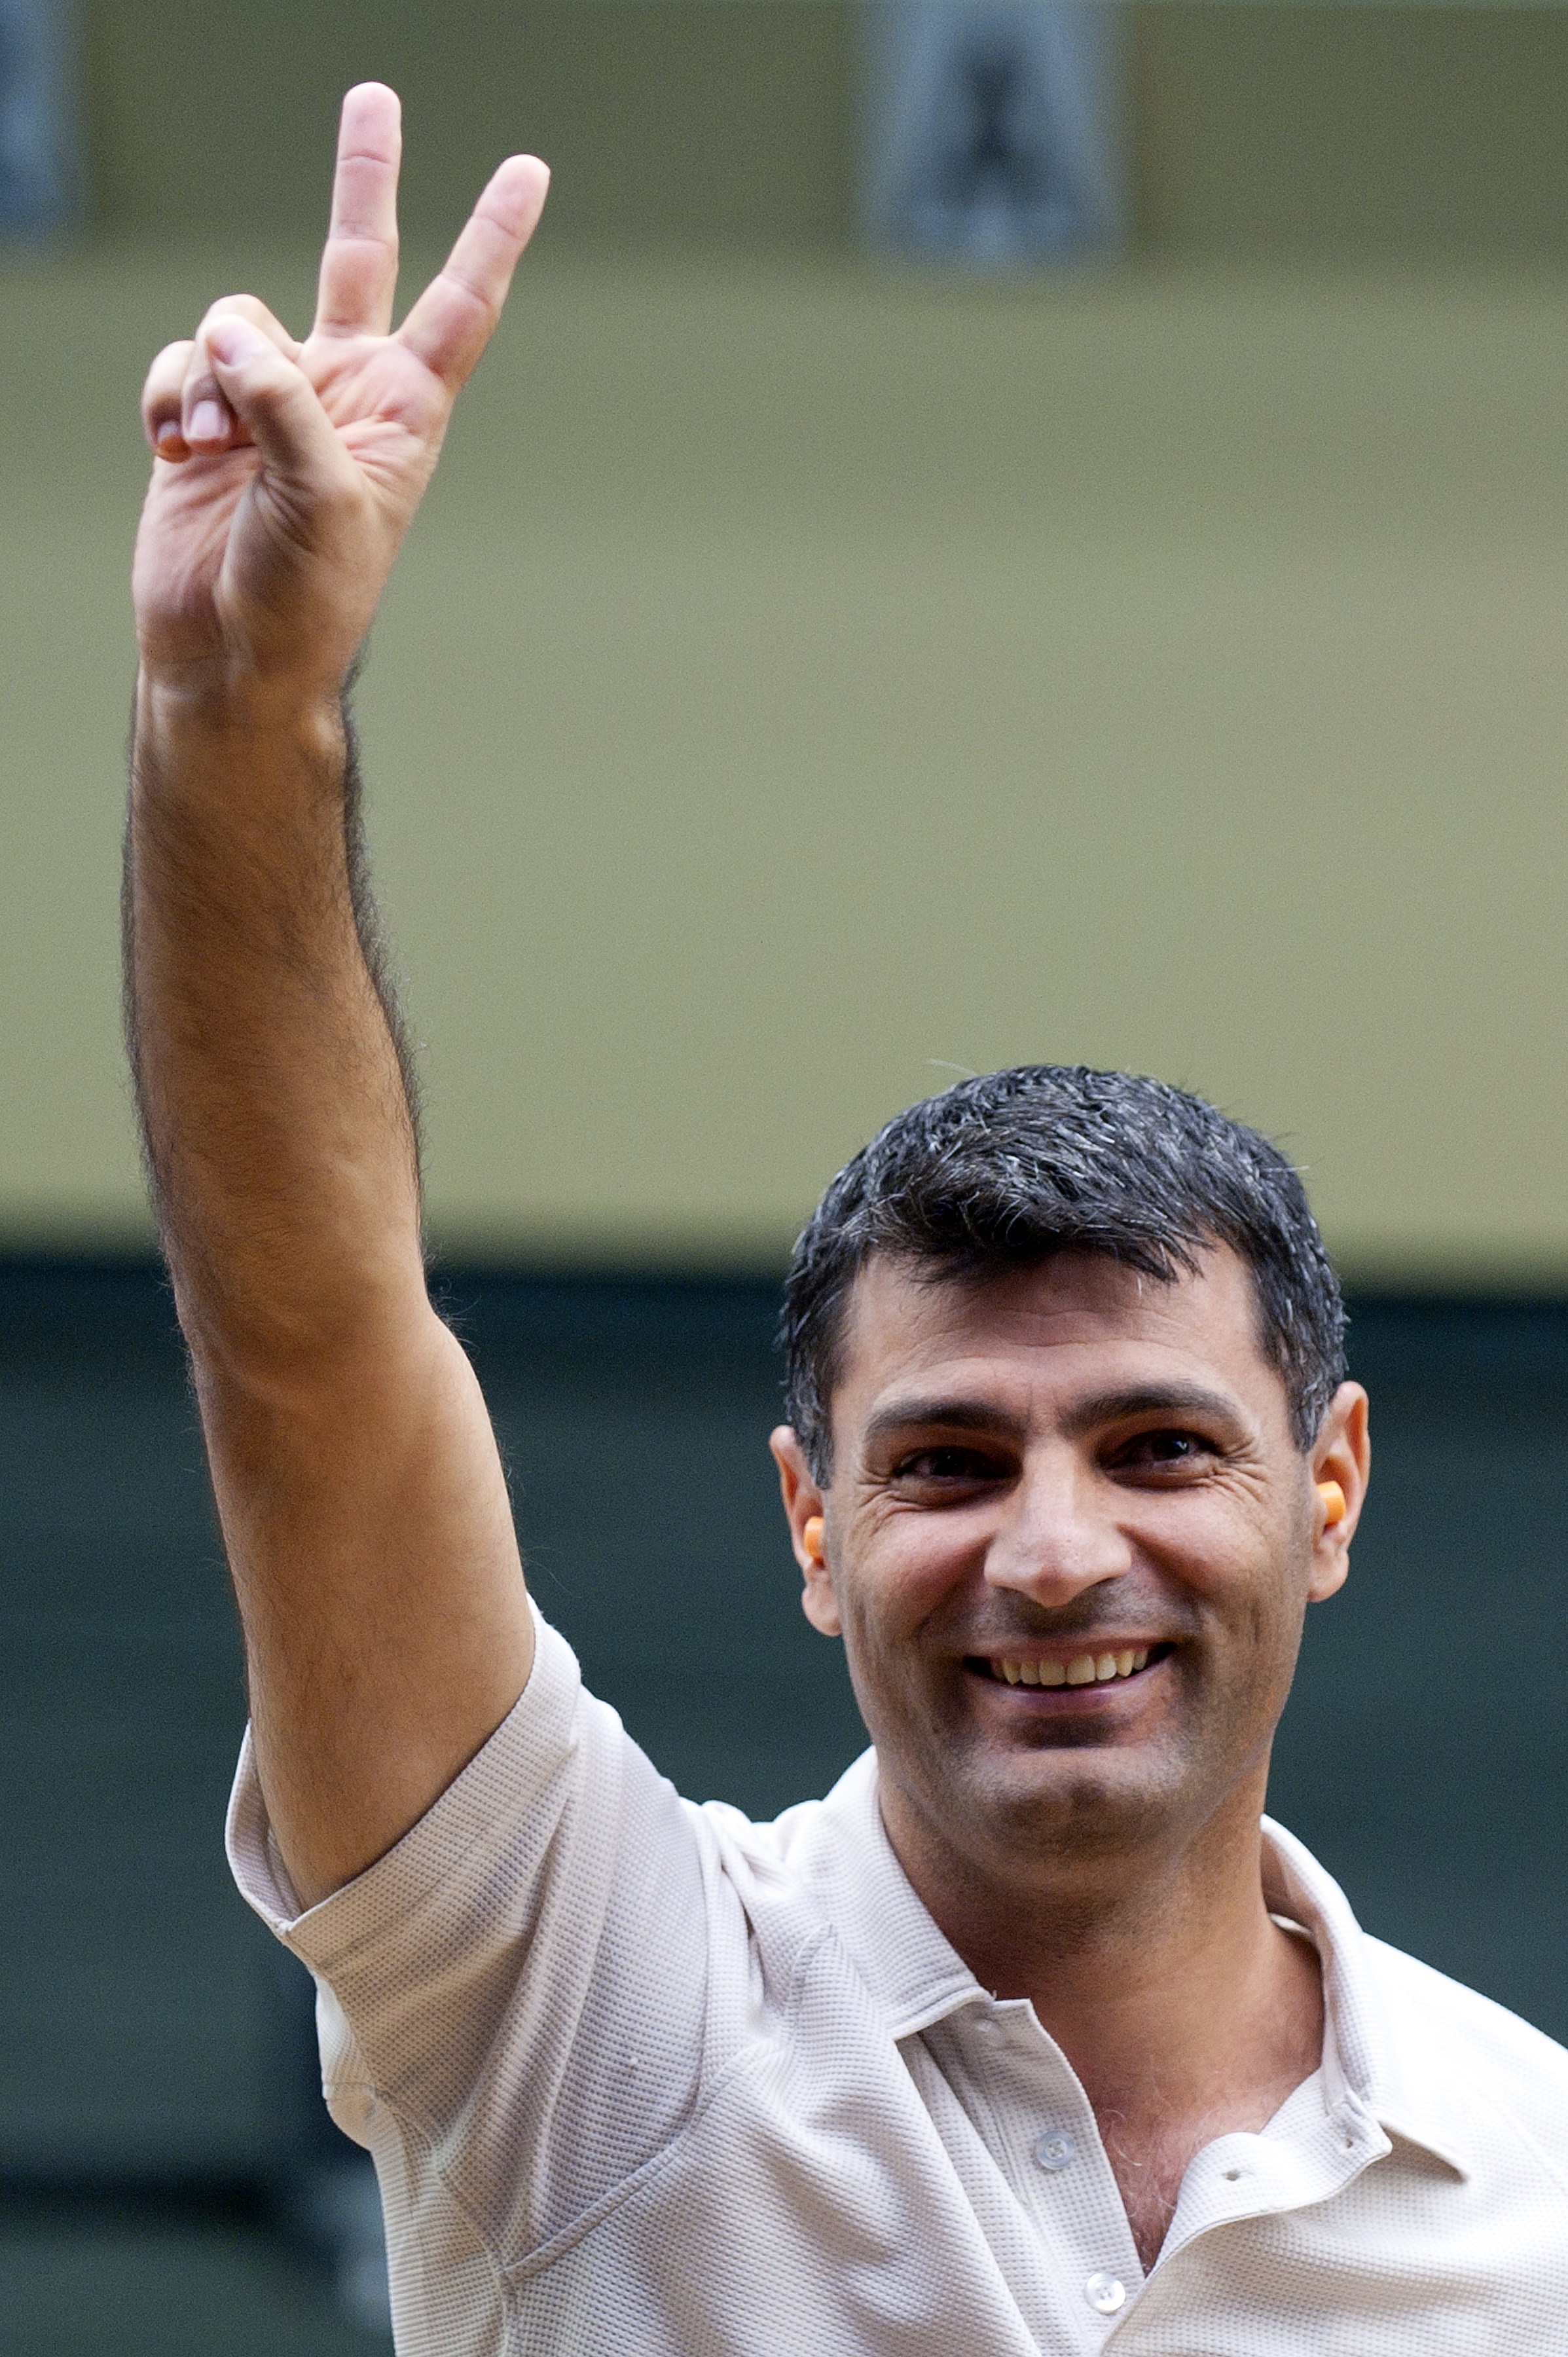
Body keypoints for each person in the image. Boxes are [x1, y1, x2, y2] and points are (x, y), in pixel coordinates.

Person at [125, 84, 1568, 2357]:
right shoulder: (588, 2011)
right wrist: (238, 719)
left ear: (1331, 1485)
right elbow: (308, 1349)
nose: (1056, 1548)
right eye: (946, 1461)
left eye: (1160, 1446)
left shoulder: (1536, 2198)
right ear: (809, 1523)